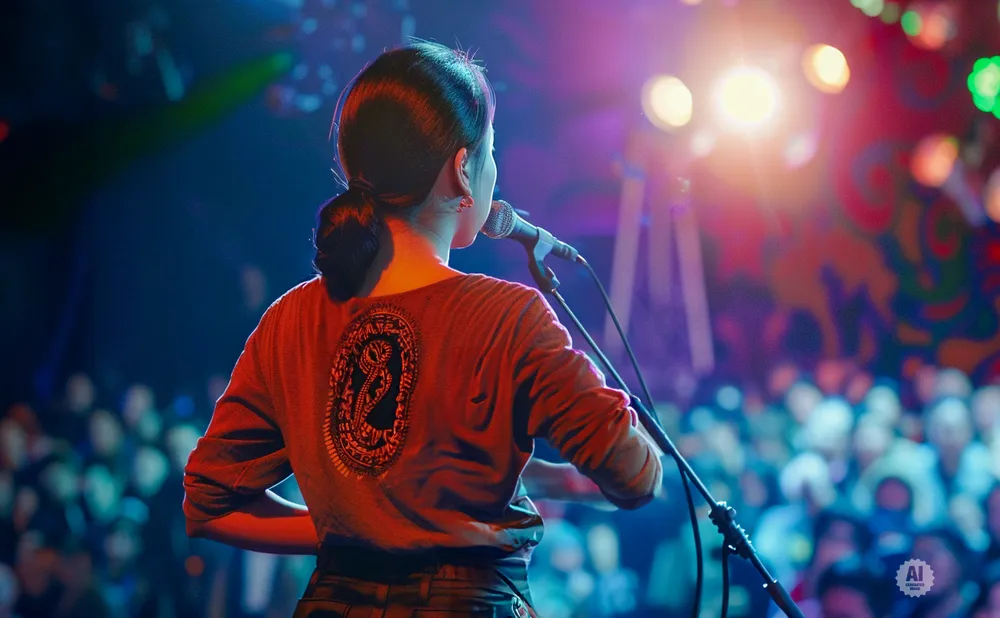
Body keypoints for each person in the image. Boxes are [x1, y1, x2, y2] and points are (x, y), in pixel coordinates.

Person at [183, 41, 664, 617]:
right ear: (463, 168)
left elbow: (209, 505)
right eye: (491, 152)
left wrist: (355, 530)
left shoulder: (292, 319)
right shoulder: (507, 316)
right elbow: (634, 475)